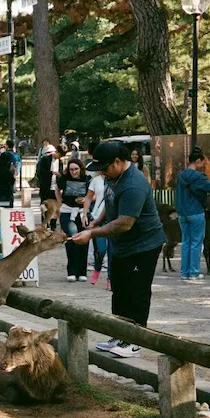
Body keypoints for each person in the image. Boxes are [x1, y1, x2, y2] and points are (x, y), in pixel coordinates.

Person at [73, 142, 166, 358]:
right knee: (120, 289)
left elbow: (124, 222)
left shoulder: (134, 184)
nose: (102, 173)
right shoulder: (113, 178)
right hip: (123, 244)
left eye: (104, 168)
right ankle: (119, 333)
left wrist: (92, 234)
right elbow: (111, 201)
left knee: (137, 292)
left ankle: (135, 341)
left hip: (144, 244)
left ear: (117, 162)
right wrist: (97, 220)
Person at [175, 152, 210, 281]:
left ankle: (184, 272)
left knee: (185, 242)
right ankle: (194, 272)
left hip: (182, 213)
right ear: (197, 161)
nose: (203, 164)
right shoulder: (199, 177)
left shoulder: (180, 176)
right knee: (196, 242)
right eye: (202, 161)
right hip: (196, 212)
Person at [56, 159, 89, 282]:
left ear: (80, 169)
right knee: (72, 238)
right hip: (67, 212)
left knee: (83, 239)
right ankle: (72, 271)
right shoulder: (64, 178)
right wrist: (60, 203)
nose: (74, 172)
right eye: (71, 169)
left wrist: (86, 200)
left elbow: (93, 195)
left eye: (76, 169)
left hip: (82, 212)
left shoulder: (87, 179)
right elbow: (57, 189)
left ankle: (82, 271)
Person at [82, 157, 110, 289]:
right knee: (101, 249)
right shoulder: (96, 181)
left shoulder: (117, 181)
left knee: (113, 250)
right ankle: (97, 269)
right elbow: (88, 197)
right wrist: (85, 213)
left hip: (113, 219)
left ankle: (110, 278)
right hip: (98, 218)